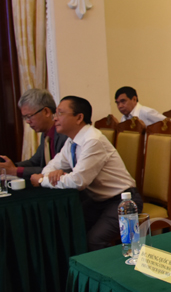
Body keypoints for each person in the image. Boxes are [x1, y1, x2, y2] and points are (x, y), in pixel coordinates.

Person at [31, 96, 142, 251]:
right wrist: (50, 174)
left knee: (94, 241)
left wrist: (42, 180)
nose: (55, 118)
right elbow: (50, 167)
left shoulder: (93, 140)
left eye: (60, 113)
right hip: (98, 201)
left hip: (123, 201)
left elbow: (78, 181)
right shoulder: (72, 141)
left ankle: (115, 266)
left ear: (79, 118)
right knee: (68, 228)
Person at [0, 89, 68, 179]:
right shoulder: (45, 135)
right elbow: (34, 162)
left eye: (29, 116)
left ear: (46, 112)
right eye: (25, 117)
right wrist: (9, 166)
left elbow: (56, 171)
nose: (27, 121)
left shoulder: (64, 134)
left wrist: (15, 170)